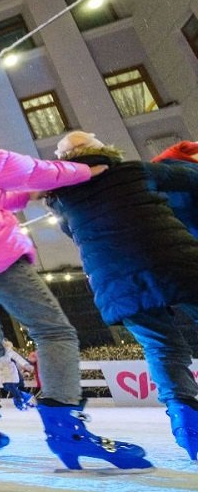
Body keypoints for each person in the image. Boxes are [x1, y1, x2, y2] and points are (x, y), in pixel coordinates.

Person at [0, 116, 148, 468]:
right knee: (53, 331)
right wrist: (88, 170)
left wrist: (28, 196)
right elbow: (41, 170)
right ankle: (66, 430)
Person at [48, 131, 198, 460]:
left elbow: (72, 232)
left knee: (162, 347)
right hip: (175, 259)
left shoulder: (61, 198)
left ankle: (188, 425)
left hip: (116, 281)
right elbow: (189, 179)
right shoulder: (134, 170)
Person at [0, 339, 33, 410]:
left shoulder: (8, 350)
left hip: (10, 372)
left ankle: (19, 401)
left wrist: (26, 365)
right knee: (6, 388)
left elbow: (17, 357)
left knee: (10, 386)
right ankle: (24, 396)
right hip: (1, 374)